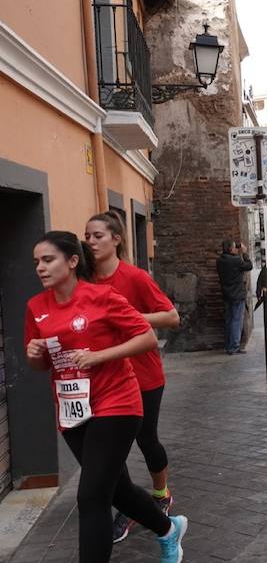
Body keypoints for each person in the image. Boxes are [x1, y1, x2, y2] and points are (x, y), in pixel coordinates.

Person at [25, 231, 188, 563]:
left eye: (48, 259)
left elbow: (146, 337)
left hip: (117, 401)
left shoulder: (101, 297)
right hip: (72, 409)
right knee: (117, 489)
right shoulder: (36, 307)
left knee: (91, 498)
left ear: (71, 261)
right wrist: (34, 355)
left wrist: (98, 356)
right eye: (36, 261)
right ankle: (168, 530)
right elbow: (42, 365)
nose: (40, 267)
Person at [84, 212, 180, 544]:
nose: (91, 242)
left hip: (143, 374)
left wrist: (131, 316)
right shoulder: (86, 281)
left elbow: (171, 316)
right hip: (105, 376)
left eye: (98, 236)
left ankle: (160, 494)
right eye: (87, 236)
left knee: (146, 439)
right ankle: (130, 505)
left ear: (116, 239)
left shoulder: (135, 278)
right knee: (113, 447)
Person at [216, 240, 252, 354]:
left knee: (229, 320)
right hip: (237, 295)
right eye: (234, 247)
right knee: (237, 320)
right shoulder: (236, 260)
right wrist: (245, 253)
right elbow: (249, 266)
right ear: (231, 249)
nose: (237, 249)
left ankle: (228, 345)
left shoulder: (220, 261)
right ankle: (234, 346)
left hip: (226, 294)